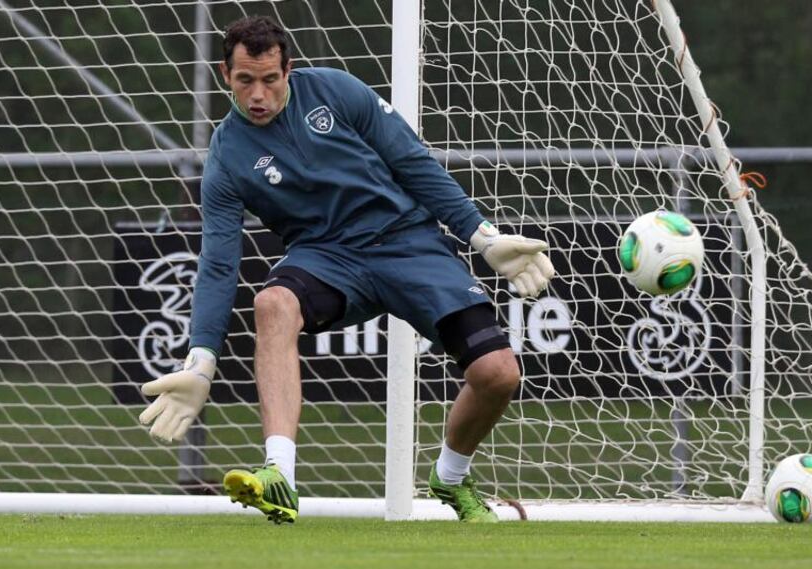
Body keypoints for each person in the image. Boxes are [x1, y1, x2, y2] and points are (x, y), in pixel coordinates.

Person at [139, 15, 555, 524]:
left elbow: (412, 162)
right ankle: (279, 477)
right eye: (245, 80)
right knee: (272, 304)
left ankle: (449, 479)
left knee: (498, 374)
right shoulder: (227, 158)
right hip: (325, 257)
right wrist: (201, 358)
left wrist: (480, 235)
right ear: (226, 75)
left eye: (270, 79)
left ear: (289, 69)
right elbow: (218, 264)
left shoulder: (335, 90)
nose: (258, 95)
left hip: (407, 241)